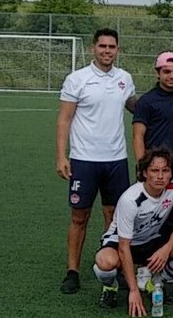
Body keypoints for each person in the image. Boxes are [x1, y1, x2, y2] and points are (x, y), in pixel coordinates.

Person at [56, 28, 136, 294]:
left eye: (112, 47)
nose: (107, 51)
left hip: (116, 160)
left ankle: (112, 267)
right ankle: (73, 272)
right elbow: (64, 119)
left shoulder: (124, 78)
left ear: (117, 50)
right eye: (102, 46)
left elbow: (137, 108)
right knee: (80, 217)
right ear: (93, 48)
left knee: (114, 217)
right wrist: (61, 156)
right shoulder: (77, 79)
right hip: (84, 160)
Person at [92, 147, 173, 317]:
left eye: (165, 170)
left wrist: (165, 250)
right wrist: (133, 290)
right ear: (144, 173)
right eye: (154, 170)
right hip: (122, 242)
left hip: (152, 239)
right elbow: (124, 247)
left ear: (171, 173)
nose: (160, 176)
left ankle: (156, 281)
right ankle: (111, 286)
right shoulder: (130, 199)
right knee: (105, 262)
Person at [132, 51, 173, 181]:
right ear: (158, 73)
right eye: (167, 72)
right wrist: (142, 167)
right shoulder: (147, 101)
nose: (172, 76)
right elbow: (138, 136)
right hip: (154, 169)